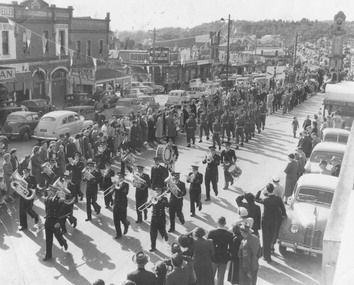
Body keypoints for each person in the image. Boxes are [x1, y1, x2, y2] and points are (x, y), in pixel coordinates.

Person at [255, 184, 286, 262]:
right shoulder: (278, 199)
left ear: (267, 190)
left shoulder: (265, 200)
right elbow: (283, 210)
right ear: (273, 190)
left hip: (265, 221)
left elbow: (256, 198)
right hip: (274, 221)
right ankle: (269, 251)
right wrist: (283, 216)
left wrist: (259, 190)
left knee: (265, 238)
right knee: (271, 237)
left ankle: (266, 256)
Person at [43, 186, 68, 261]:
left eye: (49, 190)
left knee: (58, 236)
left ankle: (63, 241)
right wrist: (46, 217)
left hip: (55, 221)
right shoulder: (47, 199)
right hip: (48, 221)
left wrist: (58, 222)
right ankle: (48, 255)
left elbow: (61, 213)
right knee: (48, 239)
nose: (47, 192)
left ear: (53, 192)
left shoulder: (59, 200)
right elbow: (47, 210)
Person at [207, 216, 233, 285]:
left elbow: (208, 245)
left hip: (213, 257)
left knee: (211, 277)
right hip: (224, 257)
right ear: (225, 223)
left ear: (217, 222)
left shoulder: (212, 232)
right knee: (221, 278)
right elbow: (231, 248)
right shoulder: (229, 234)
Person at [19, 166, 39, 231]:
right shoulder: (21, 178)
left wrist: (27, 186)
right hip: (23, 197)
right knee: (21, 211)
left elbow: (34, 186)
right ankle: (23, 225)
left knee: (28, 209)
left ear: (29, 172)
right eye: (24, 172)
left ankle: (35, 216)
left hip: (30, 196)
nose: (25, 173)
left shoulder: (32, 178)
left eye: (26, 172)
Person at [149, 187, 169, 252]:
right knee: (152, 233)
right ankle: (153, 247)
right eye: (156, 191)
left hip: (161, 218)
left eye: (159, 191)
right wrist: (149, 202)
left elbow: (168, 205)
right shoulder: (153, 198)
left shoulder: (164, 198)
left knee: (162, 230)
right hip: (154, 218)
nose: (157, 192)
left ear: (161, 192)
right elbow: (148, 206)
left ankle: (164, 234)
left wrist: (161, 200)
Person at [112, 173, 130, 239]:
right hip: (116, 203)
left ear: (123, 178)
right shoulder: (116, 183)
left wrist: (120, 186)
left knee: (122, 218)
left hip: (122, 203)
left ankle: (126, 223)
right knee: (115, 219)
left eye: (121, 177)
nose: (119, 178)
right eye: (118, 177)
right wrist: (113, 186)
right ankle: (118, 234)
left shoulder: (126, 185)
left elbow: (125, 193)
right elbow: (112, 191)